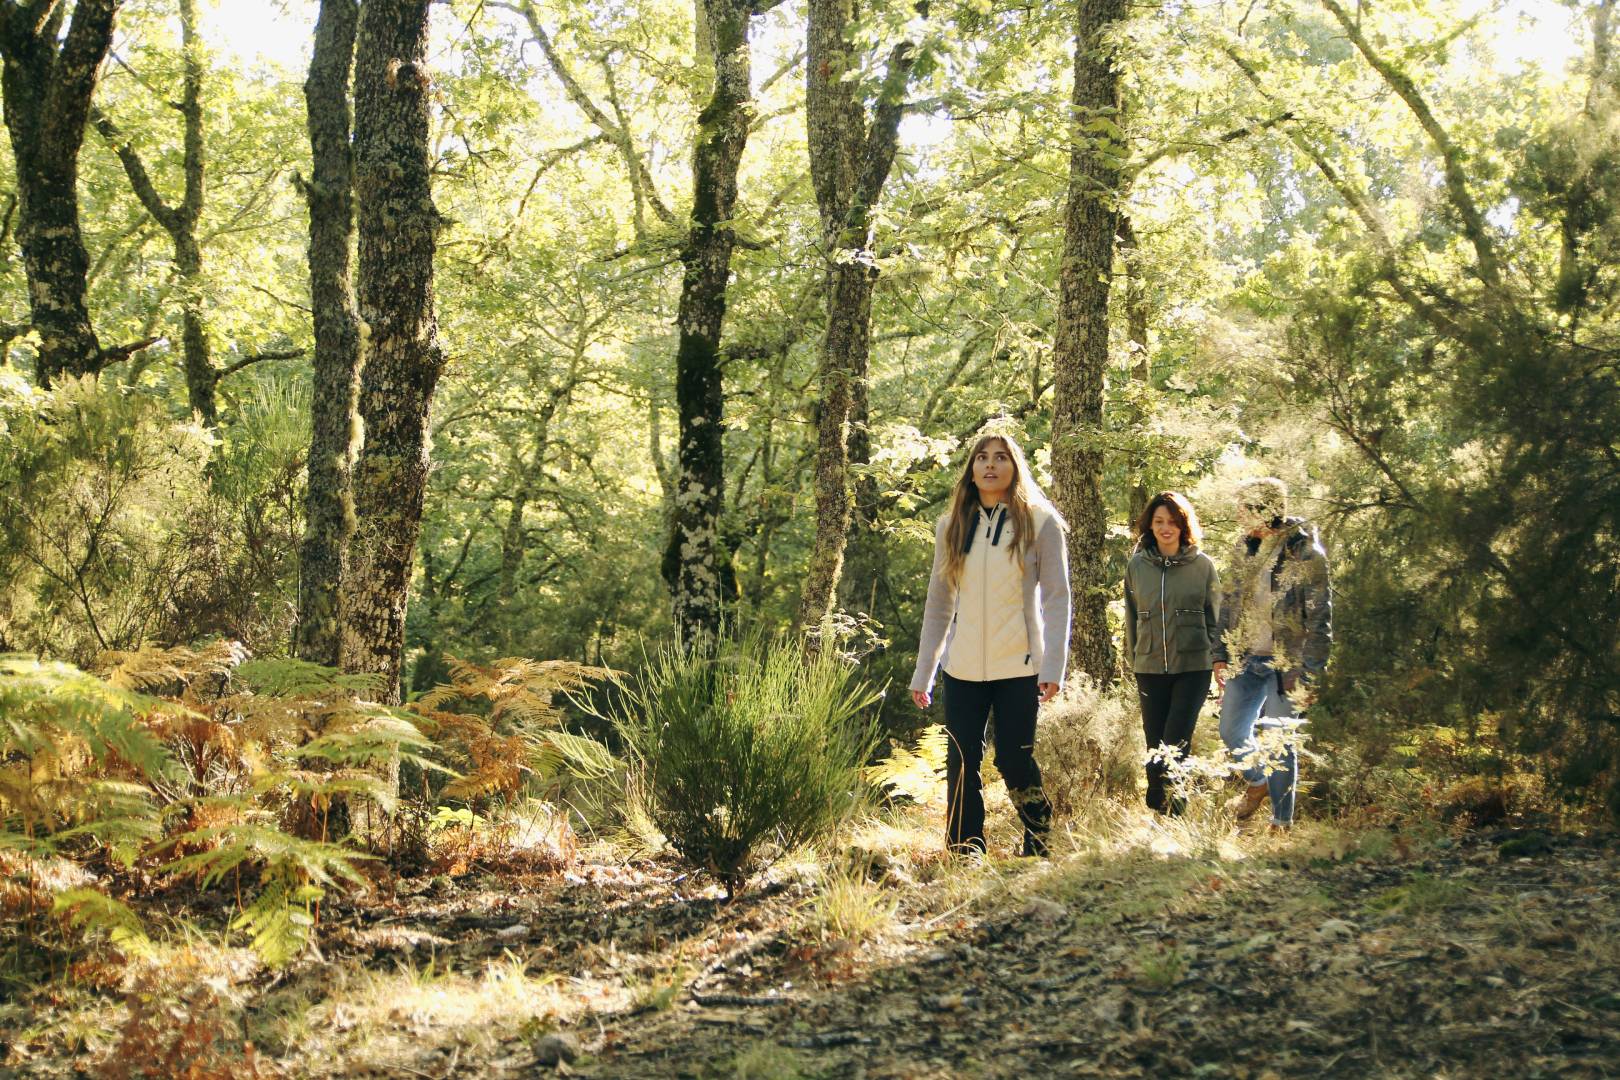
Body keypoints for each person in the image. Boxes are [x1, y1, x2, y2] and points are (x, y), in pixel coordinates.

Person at [910, 432, 1071, 857]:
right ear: (972, 469)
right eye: (981, 458)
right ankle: (965, 849)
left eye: (1000, 457)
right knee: (961, 761)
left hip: (1020, 666)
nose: (990, 465)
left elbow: (1058, 597)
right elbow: (939, 604)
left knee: (1013, 760)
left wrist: (1054, 667)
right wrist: (924, 671)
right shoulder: (952, 526)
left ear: (1014, 466)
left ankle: (1039, 839)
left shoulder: (1039, 522)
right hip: (961, 668)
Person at [1212, 477, 1333, 828]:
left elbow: (1320, 619)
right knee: (1232, 732)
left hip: (1288, 665)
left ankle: (1282, 824)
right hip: (1245, 660)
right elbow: (1228, 603)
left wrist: (1312, 674)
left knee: (1280, 742)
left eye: (1244, 507)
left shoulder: (1306, 554)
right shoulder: (1244, 549)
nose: (1238, 514)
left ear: (1265, 510)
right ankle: (1258, 782)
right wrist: (1220, 652)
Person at [1123, 492, 1220, 815]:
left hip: (1193, 666)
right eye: (1159, 522)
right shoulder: (1137, 566)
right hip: (1149, 666)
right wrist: (1134, 658)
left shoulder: (1202, 565)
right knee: (1154, 746)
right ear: (1150, 525)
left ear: (1183, 524)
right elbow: (1132, 617)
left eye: (1173, 522)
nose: (1166, 528)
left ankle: (1175, 813)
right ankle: (1159, 807)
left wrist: (1220, 660)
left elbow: (1214, 618)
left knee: (1175, 741)